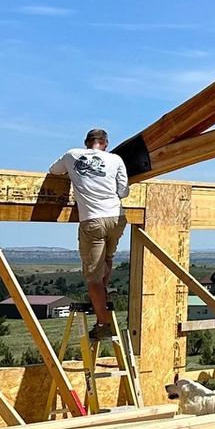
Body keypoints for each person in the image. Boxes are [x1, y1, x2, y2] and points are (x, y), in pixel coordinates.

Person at [47, 129, 129, 340]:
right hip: (117, 218)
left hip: (93, 219)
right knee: (107, 259)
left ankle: (103, 323)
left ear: (86, 143)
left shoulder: (72, 155)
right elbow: (123, 191)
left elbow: (53, 171)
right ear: (106, 143)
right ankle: (101, 294)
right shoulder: (115, 159)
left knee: (92, 278)